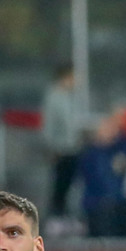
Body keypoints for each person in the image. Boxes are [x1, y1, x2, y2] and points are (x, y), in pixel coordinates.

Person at [77, 113, 126, 238]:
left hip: (119, 204)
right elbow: (86, 175)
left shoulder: (125, 147)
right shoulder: (90, 153)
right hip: (96, 204)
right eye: (106, 128)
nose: (109, 132)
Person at [42, 67, 83, 218]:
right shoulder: (54, 97)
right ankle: (56, 216)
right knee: (60, 185)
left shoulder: (69, 98)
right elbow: (50, 125)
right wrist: (51, 147)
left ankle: (65, 215)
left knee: (69, 183)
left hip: (72, 148)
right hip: (61, 149)